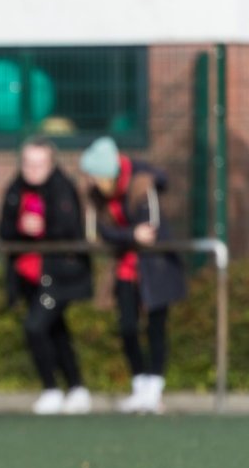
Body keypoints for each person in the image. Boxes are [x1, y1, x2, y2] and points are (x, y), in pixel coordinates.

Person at [79, 135, 186, 414]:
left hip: (154, 266)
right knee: (127, 326)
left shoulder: (141, 185)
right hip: (124, 267)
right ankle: (140, 385)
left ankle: (155, 387)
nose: (89, 181)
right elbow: (101, 233)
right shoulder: (96, 195)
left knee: (156, 326)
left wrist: (124, 235)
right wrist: (129, 235)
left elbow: (148, 232)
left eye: (93, 175)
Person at [0, 136, 93, 415]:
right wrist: (20, 228)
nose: (32, 169)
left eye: (39, 164)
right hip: (28, 276)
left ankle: (51, 388)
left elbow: (71, 229)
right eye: (27, 163)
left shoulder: (63, 189)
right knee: (56, 330)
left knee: (35, 327)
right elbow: (3, 230)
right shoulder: (15, 189)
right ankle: (76, 387)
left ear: (50, 164)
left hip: (59, 274)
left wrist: (42, 227)